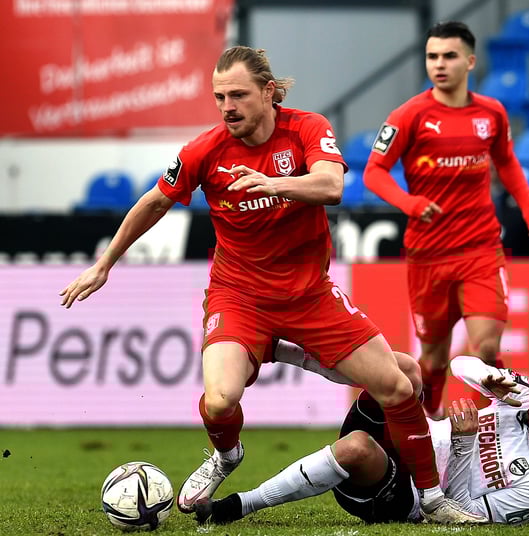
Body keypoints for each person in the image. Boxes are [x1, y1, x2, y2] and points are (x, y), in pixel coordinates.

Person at [59, 46, 486, 524]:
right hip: (238, 295)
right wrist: (104, 265)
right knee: (220, 399)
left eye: (238, 94)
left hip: (310, 295)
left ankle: (433, 500)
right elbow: (154, 202)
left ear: (268, 92)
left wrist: (273, 183)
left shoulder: (306, 129)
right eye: (219, 97)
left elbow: (331, 187)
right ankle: (226, 455)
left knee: (398, 385)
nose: (227, 107)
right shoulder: (205, 150)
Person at [193, 343, 529, 526]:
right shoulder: (528, 401)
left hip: (411, 495)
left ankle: (238, 506)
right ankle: (284, 352)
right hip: (414, 439)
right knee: (404, 370)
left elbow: (462, 514)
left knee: (356, 448)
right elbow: (460, 364)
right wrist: (491, 378)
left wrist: (463, 445)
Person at [363, 20, 529, 419]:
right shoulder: (408, 115)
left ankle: (491, 432)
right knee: (431, 359)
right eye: (432, 56)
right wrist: (410, 203)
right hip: (427, 255)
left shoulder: (491, 113)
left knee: (485, 348)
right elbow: (374, 172)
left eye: (448, 56)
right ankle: (431, 426)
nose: (439, 64)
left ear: (470, 61)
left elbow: (508, 164)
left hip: (480, 249)